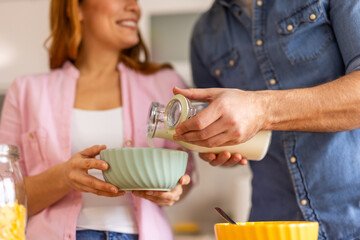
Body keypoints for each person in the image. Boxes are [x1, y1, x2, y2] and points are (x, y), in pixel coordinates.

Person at [0, 0, 194, 239]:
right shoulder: (26, 91)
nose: (135, 7)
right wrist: (63, 176)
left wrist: (173, 191)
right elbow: (6, 195)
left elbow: (186, 175)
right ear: (77, 8)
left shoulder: (166, 84)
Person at [172, 0, 360, 239]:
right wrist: (222, 144)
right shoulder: (204, 34)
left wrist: (261, 109)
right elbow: (229, 135)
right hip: (270, 225)